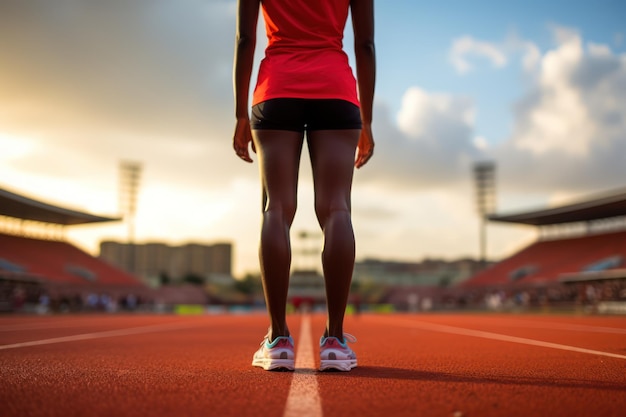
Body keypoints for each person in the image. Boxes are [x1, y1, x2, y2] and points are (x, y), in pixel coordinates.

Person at [232, 0, 375, 372]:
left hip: (277, 87)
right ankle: (335, 341)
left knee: (276, 209)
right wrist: (368, 121)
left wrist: (238, 114)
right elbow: (365, 45)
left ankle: (278, 339)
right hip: (337, 90)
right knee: (337, 209)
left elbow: (246, 38)